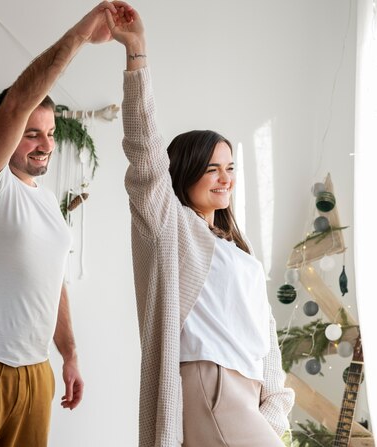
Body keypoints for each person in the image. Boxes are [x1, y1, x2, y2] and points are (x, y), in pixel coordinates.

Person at [0, 3, 120, 447]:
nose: (44, 144)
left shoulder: (49, 205)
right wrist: (79, 36)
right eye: (32, 133)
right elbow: (16, 104)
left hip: (35, 372)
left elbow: (54, 282)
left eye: (50, 133)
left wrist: (69, 354)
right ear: (10, 132)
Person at [106, 5, 295, 446]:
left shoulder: (237, 252)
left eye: (230, 167)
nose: (226, 178)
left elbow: (265, 343)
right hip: (211, 386)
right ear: (185, 173)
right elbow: (145, 152)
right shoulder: (172, 230)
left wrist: (272, 413)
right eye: (212, 169)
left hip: (247, 397)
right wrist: (137, 54)